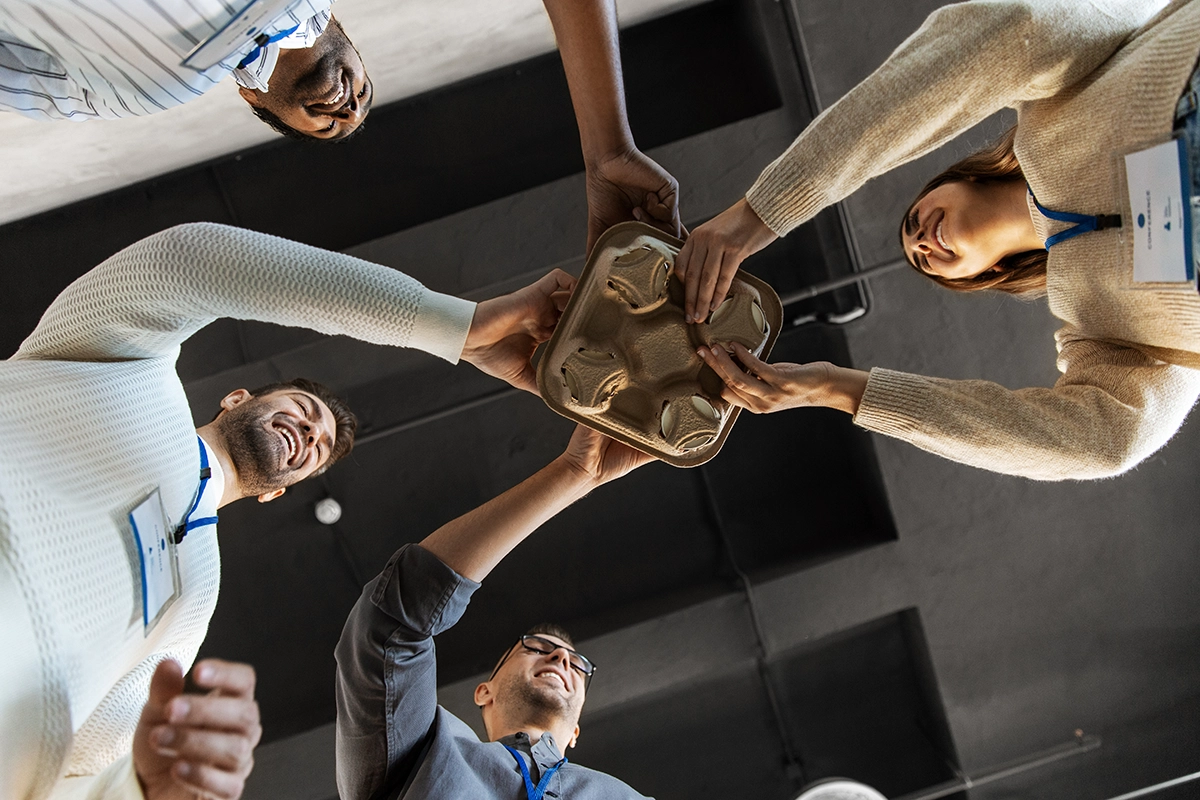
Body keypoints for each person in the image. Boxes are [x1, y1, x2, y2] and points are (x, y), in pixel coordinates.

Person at [0, 220, 576, 800]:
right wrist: (459, 328)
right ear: (237, 398)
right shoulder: (127, 369)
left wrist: (142, 785)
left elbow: (85, 761)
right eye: (302, 409)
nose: (307, 431)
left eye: (318, 448)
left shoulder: (199, 595)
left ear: (277, 491)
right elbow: (186, 259)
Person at [676, 0, 1200, 481]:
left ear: (960, 176)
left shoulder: (1055, 103)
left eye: (913, 223)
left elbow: (1011, 33)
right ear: (982, 275)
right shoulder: (1098, 327)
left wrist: (758, 214)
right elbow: (1105, 442)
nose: (922, 242)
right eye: (925, 261)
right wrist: (840, 388)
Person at [334, 424, 654, 800]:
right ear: (485, 692)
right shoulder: (422, 752)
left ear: (576, 732)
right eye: (534, 646)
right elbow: (389, 625)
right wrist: (574, 473)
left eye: (577, 663)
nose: (561, 657)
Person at [0, 0, 372, 139]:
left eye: (329, 128)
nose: (350, 112)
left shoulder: (148, 91)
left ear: (254, 99)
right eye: (364, 93)